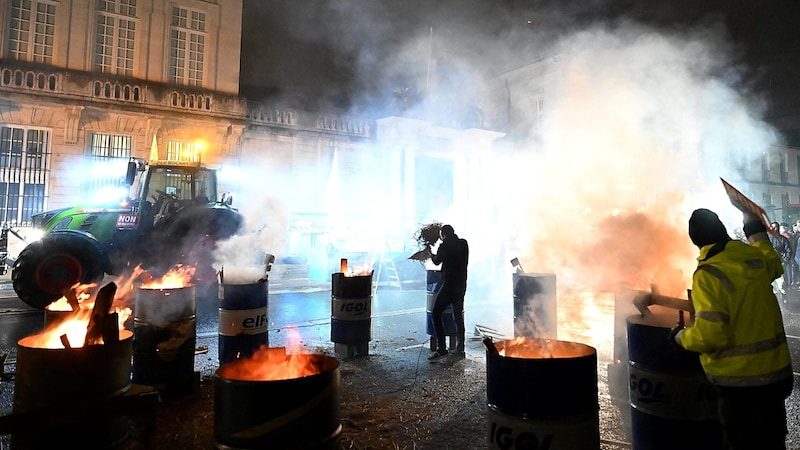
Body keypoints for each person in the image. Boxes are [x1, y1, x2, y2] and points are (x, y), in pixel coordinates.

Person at [671, 208, 793, 450]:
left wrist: (680, 337)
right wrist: (755, 231)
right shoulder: (751, 257)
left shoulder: (708, 274)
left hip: (740, 385)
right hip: (777, 375)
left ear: (695, 241)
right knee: (772, 442)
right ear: (723, 230)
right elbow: (774, 264)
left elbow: (711, 335)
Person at [427, 224, 469, 361]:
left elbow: (437, 261)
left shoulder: (444, 246)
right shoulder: (463, 243)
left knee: (436, 312)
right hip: (461, 285)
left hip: (449, 286)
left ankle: (442, 348)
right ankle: (460, 348)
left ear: (443, 235)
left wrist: (430, 254)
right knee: (458, 317)